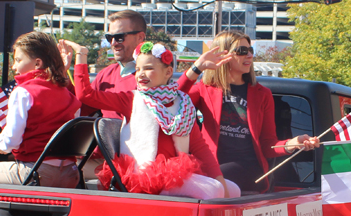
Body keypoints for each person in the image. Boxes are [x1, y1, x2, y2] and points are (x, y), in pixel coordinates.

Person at [62, 38, 239, 199]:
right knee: (214, 190)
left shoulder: (182, 102)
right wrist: (81, 55)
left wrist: (219, 178)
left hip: (176, 176)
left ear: (168, 72)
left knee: (233, 190)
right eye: (137, 69)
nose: (140, 74)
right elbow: (85, 94)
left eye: (148, 68)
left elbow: (200, 147)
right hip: (142, 179)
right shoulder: (131, 99)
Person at [178, 30, 319, 192]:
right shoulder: (205, 89)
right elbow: (172, 100)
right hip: (211, 168)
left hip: (247, 170)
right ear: (222, 55)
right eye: (242, 51)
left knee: (216, 179)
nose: (249, 56)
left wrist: (293, 144)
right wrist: (197, 68)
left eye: (250, 50)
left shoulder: (262, 94)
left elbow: (268, 145)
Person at [0, 31, 82, 187]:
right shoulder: (67, 93)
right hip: (70, 174)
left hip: (36, 172)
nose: (13, 66)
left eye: (18, 60)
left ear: (37, 63)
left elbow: (12, 140)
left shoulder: (23, 91)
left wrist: (0, 143)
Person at [59, 9, 146, 178]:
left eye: (119, 37)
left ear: (140, 37)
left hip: (133, 164)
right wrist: (63, 74)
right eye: (109, 38)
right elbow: (80, 108)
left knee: (58, 172)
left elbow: (86, 95)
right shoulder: (106, 73)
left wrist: (81, 57)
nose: (113, 43)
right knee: (53, 164)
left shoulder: (147, 77)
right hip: (104, 158)